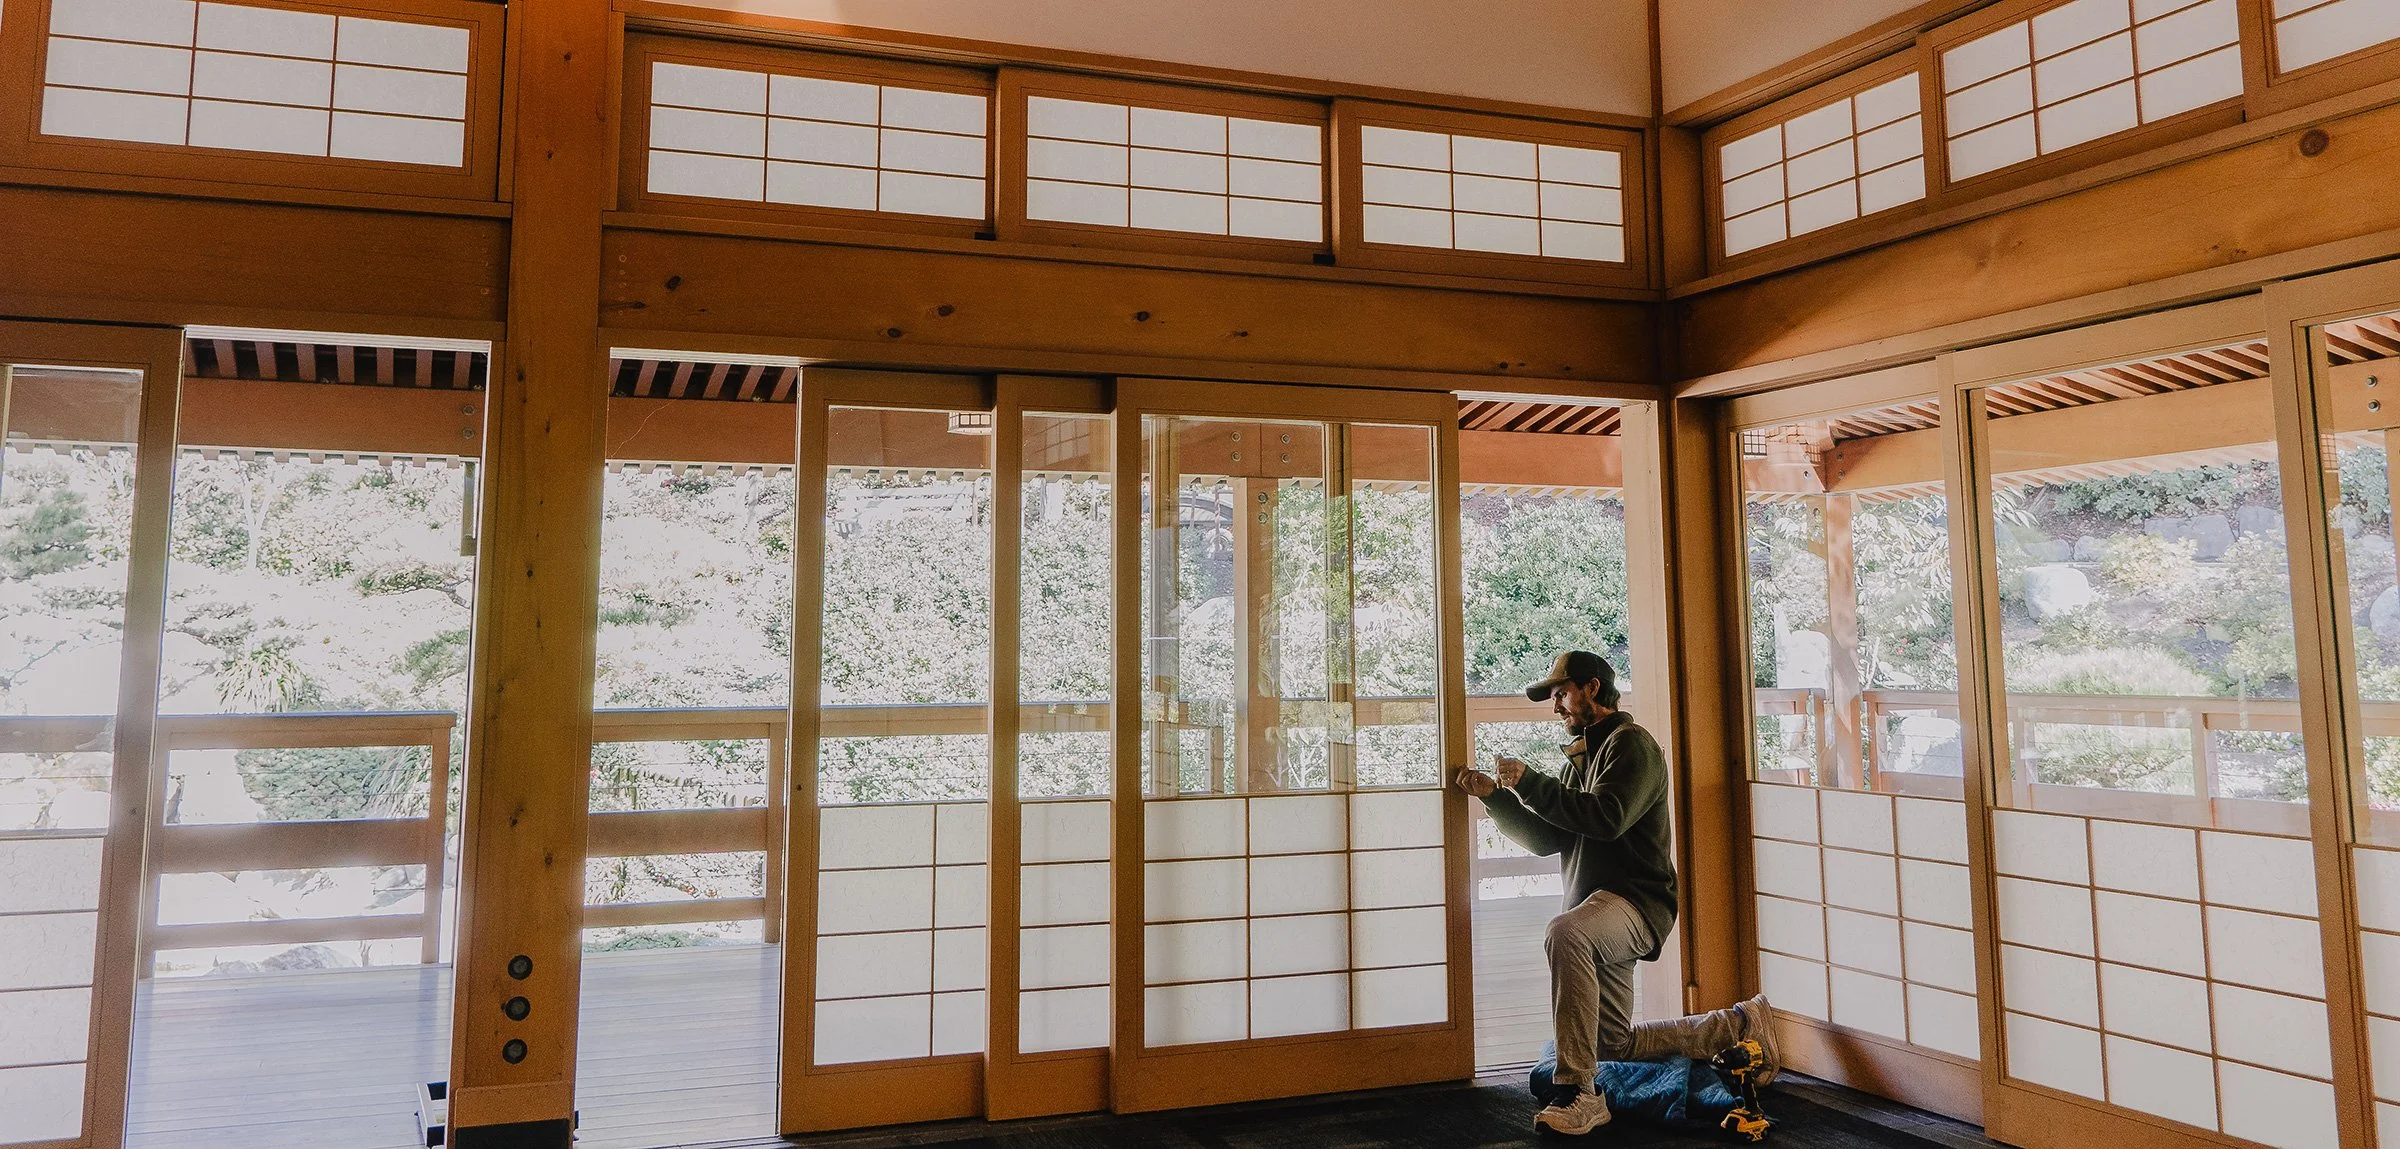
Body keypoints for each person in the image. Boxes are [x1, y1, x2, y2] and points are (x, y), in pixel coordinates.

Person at [1457, 649, 1780, 1135]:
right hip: (1599, 907)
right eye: (1552, 697)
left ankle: (1577, 1093)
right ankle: (1736, 1026)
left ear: (1592, 688)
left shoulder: (1633, 746)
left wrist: (1528, 782)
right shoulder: (1579, 758)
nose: (1556, 706)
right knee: (1611, 1044)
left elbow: (1607, 819)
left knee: (1566, 934)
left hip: (1634, 901)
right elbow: (1549, 839)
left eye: (1562, 693)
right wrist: (1496, 797)